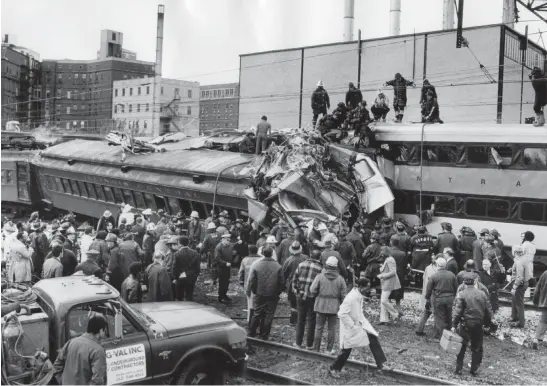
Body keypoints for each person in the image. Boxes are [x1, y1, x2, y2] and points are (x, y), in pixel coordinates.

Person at [328, 278, 387, 378]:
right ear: (360, 287)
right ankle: (334, 368)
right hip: (350, 326)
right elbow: (341, 313)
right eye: (367, 287)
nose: (368, 290)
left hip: (359, 324)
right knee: (346, 349)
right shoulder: (351, 297)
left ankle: (381, 365)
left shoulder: (359, 295)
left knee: (372, 338)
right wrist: (352, 326)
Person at [452, 272, 493, 376]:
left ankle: (458, 369)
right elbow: (488, 311)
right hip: (478, 324)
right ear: (475, 281)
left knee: (461, 346)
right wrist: (487, 324)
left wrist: (453, 325)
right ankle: (474, 369)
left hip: (465, 324)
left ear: (464, 282)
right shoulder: (482, 293)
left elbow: (457, 312)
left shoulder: (462, 294)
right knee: (477, 347)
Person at [53, 315, 107, 385]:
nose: (105, 334)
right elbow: (98, 381)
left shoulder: (71, 342)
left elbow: (56, 366)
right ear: (101, 330)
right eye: (105, 330)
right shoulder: (98, 350)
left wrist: (63, 382)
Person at [310, 255, 347, 354]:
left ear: (326, 265)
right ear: (336, 267)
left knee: (319, 327)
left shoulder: (320, 276)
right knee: (332, 328)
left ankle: (316, 349)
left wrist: (317, 295)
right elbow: (344, 295)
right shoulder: (340, 279)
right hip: (334, 306)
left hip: (321, 305)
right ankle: (328, 350)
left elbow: (312, 290)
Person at [246, 246, 284, 340]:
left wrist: (254, 290)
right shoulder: (278, 266)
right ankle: (264, 335)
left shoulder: (256, 265)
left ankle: (251, 333)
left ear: (262, 253)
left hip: (259, 293)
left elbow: (252, 280)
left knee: (256, 313)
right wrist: (278, 292)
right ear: (272, 253)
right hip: (272, 294)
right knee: (269, 314)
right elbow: (282, 282)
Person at [292, 249, 323, 349]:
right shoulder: (320, 269)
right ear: (319, 258)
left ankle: (298, 343)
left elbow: (294, 280)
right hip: (312, 298)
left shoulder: (301, 265)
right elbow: (320, 286)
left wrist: (297, 292)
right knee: (311, 320)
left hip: (300, 296)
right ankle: (309, 344)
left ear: (310, 255)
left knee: (300, 319)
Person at [425, 257, 458, 340]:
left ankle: (441, 337)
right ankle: (450, 335)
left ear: (437, 265)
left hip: (438, 299)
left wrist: (427, 299)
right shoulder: (452, 275)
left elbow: (428, 290)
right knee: (449, 316)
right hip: (450, 298)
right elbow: (456, 287)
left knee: (440, 318)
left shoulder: (434, 276)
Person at [282, 241, 308, 325]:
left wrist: (283, 286)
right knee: (304, 301)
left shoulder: (289, 260)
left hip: (292, 283)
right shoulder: (305, 258)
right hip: (305, 283)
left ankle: (293, 320)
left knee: (293, 304)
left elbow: (284, 274)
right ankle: (302, 319)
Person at [377, 246, 402, 325]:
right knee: (383, 301)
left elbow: (393, 272)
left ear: (386, 252)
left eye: (382, 251)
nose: (381, 253)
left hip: (389, 282)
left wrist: (382, 275)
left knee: (384, 300)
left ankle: (395, 314)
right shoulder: (388, 259)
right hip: (386, 282)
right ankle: (384, 319)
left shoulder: (390, 260)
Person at [415, 253, 439, 336]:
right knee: (437, 313)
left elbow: (423, 278)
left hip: (427, 292)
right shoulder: (437, 271)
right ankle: (436, 333)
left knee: (426, 312)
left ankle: (419, 329)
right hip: (434, 294)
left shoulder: (428, 268)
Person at [239, 245, 262, 325]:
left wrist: (241, 282)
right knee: (259, 304)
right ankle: (258, 320)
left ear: (249, 251)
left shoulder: (245, 260)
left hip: (248, 285)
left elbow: (241, 273)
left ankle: (250, 320)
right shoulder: (261, 259)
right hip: (259, 285)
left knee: (250, 304)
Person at [509, 244, 531, 328]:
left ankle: (521, 323)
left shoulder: (519, 261)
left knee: (519, 303)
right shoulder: (522, 259)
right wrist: (512, 269)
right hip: (522, 283)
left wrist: (514, 287)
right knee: (514, 300)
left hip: (519, 284)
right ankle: (514, 317)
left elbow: (520, 277)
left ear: (515, 252)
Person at [172, 236, 201, 301]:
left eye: (178, 243)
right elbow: (197, 267)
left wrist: (175, 278)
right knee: (189, 295)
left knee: (179, 296)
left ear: (181, 244)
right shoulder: (195, 253)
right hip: (191, 276)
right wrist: (195, 276)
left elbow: (174, 267)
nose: (178, 245)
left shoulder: (176, 254)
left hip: (180, 277)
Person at [388, 237, 407, 309]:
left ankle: (389, 307)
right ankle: (398, 307)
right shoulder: (403, 253)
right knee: (399, 291)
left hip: (390, 274)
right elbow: (405, 265)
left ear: (391, 242)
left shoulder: (388, 252)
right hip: (400, 274)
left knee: (389, 291)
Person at [215, 231, 234, 303]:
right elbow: (217, 258)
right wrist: (225, 263)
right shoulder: (219, 247)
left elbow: (234, 246)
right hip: (221, 267)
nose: (229, 241)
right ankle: (220, 297)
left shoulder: (229, 246)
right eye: (227, 240)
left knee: (226, 282)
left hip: (228, 267)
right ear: (223, 239)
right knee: (222, 282)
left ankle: (225, 295)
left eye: (229, 240)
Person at [532, 269, 547, 350]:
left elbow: (538, 286)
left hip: (545, 302)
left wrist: (535, 299)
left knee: (543, 320)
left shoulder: (545, 273)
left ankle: (536, 339)